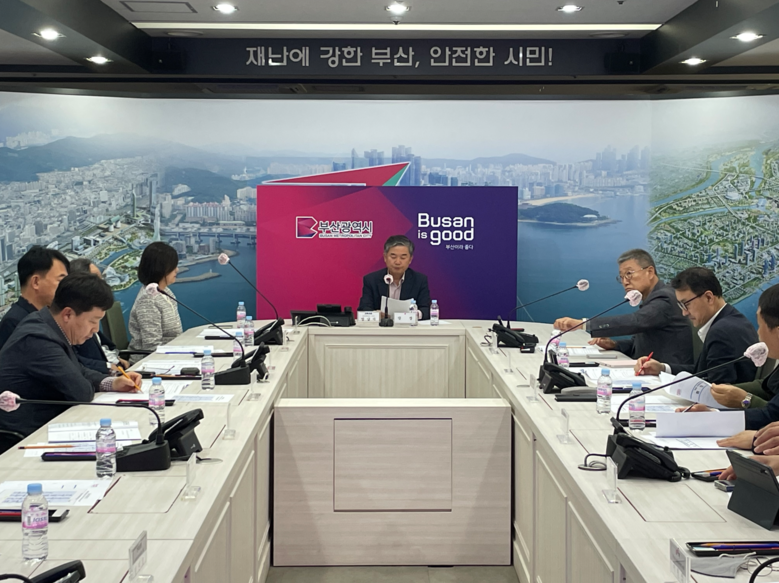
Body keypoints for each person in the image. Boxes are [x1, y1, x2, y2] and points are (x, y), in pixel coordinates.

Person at [0, 273, 141, 438]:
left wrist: (113, 383)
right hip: (23, 435)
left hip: (49, 422)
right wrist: (86, 380)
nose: (96, 329)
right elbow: (81, 391)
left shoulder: (48, 325)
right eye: (93, 321)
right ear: (67, 314)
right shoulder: (38, 338)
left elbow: (77, 368)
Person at [553, 249, 693, 365]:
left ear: (650, 272)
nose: (625, 282)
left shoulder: (665, 298)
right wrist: (614, 345)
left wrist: (584, 324)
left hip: (669, 377)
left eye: (629, 274)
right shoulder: (652, 299)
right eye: (621, 277)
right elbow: (639, 345)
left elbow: (636, 321)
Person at [634, 267, 758, 385]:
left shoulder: (722, 331)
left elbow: (717, 388)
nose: (684, 313)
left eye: (686, 304)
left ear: (709, 298)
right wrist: (662, 368)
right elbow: (704, 372)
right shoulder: (732, 319)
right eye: (680, 306)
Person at [0, 246, 69, 351]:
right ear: (36, 282)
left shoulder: (47, 316)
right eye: (61, 281)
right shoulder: (13, 323)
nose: (66, 287)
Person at [69, 258, 129, 373]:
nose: (102, 283)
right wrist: (107, 366)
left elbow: (103, 346)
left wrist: (116, 359)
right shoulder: (75, 320)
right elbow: (78, 362)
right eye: (96, 278)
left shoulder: (92, 311)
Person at [128, 242, 183, 360]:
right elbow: (152, 347)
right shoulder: (148, 300)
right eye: (173, 267)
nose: (177, 270)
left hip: (171, 356)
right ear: (161, 269)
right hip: (150, 363)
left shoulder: (166, 291)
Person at [358, 235, 431, 320]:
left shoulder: (419, 280)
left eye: (403, 257)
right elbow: (364, 309)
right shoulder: (371, 280)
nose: (397, 262)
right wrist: (376, 315)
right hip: (381, 327)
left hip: (408, 326)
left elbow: (426, 310)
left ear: (410, 259)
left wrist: (414, 314)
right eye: (393, 257)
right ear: (385, 257)